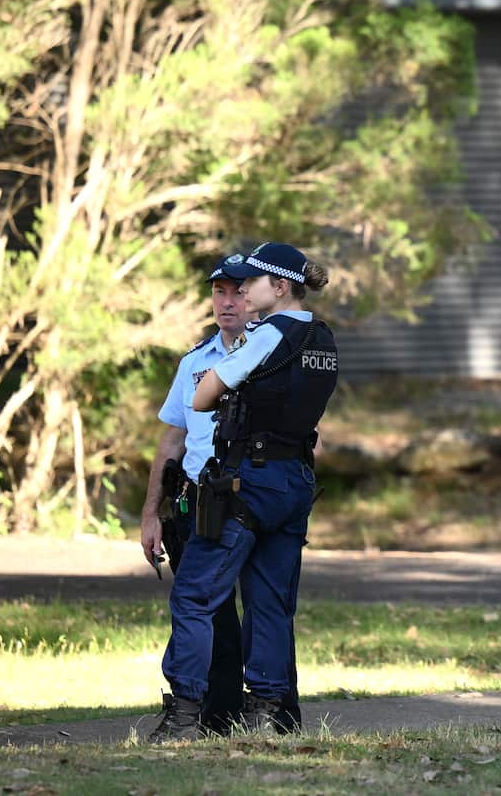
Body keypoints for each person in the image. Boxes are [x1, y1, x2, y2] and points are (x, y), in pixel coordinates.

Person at [149, 243, 336, 741]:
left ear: (280, 287)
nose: (242, 292)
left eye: (251, 282)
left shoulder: (267, 335)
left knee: (194, 596)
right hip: (295, 478)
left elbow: (203, 395)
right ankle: (268, 715)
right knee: (271, 601)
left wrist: (223, 386)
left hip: (248, 482)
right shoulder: (322, 337)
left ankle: (186, 714)